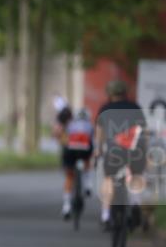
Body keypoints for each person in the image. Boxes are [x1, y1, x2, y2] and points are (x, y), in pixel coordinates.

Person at [95, 79, 146, 228]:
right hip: (134, 149)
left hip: (113, 150)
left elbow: (100, 132)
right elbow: (143, 132)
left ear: (110, 94)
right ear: (124, 93)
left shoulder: (105, 108)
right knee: (136, 175)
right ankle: (135, 202)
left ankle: (105, 215)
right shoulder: (135, 107)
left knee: (109, 179)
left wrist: (98, 149)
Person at [54, 106, 94, 218]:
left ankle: (66, 207)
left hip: (70, 150)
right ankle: (87, 185)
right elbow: (93, 141)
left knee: (69, 177)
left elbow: (60, 136)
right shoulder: (90, 126)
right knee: (87, 161)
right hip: (85, 149)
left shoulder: (70, 125)